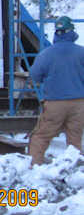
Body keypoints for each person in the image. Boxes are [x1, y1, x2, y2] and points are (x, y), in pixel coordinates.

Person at [28, 16, 84, 165]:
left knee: (41, 136)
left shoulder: (46, 54)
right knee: (75, 139)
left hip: (54, 103)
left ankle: (33, 167)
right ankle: (74, 170)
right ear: (71, 32)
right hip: (79, 103)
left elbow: (35, 75)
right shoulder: (81, 52)